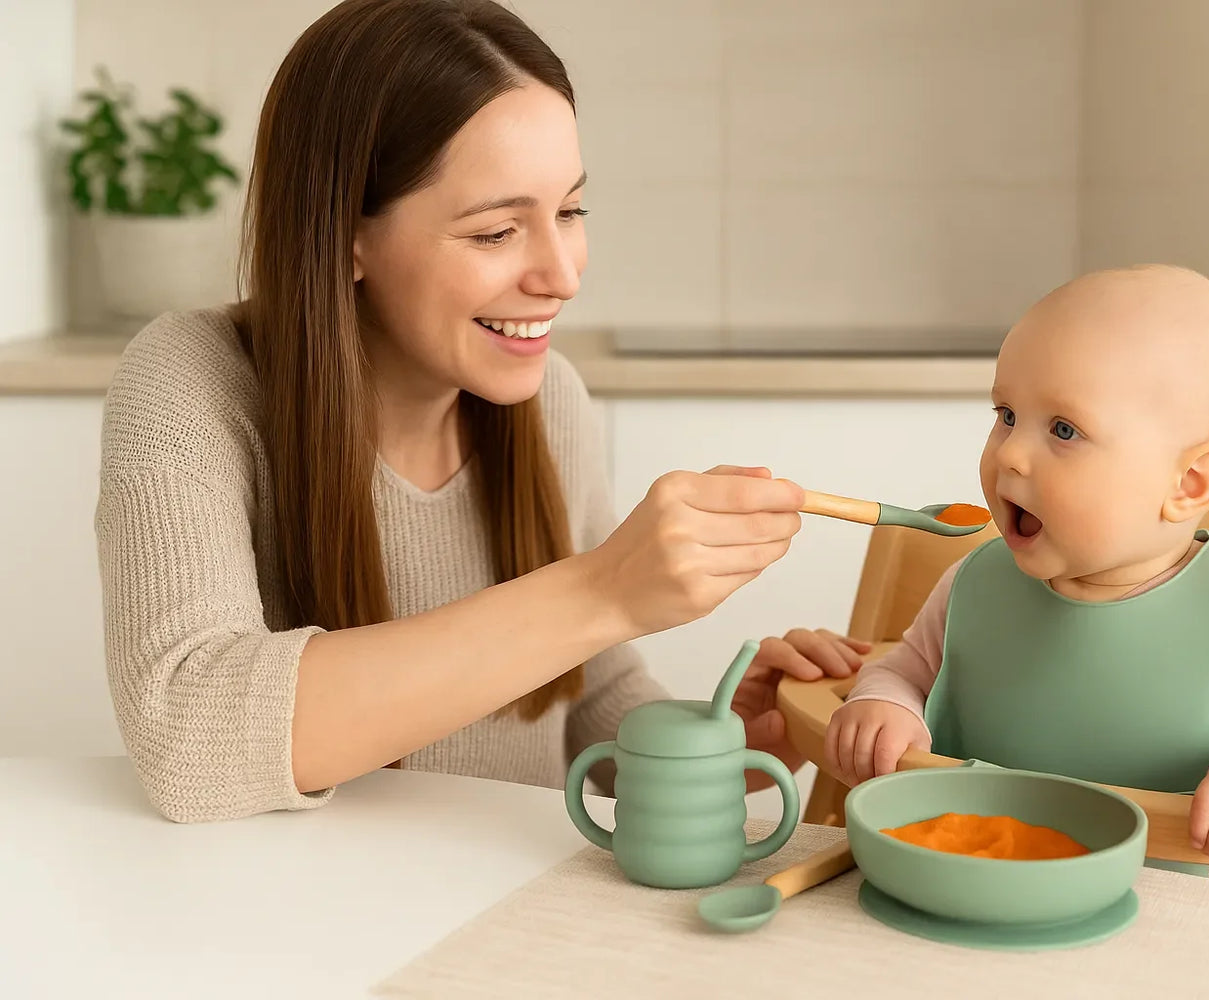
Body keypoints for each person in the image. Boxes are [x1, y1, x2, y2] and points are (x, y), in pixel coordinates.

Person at [95, 0, 863, 823]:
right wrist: (603, 589)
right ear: (346, 235)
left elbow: (586, 703)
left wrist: (724, 742)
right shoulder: (192, 382)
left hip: (505, 917)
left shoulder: (549, 396)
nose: (562, 274)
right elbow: (188, 735)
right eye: (498, 231)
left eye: (569, 212)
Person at [825, 265, 1209, 886]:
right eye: (1007, 415)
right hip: (981, 884)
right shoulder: (977, 581)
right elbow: (905, 668)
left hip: (1188, 923)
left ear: (1189, 483)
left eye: (1064, 430)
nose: (1011, 453)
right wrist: (884, 704)